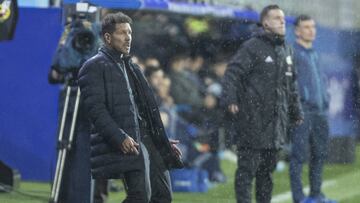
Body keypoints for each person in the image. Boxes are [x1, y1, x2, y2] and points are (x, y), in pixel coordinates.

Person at [78, 12, 183, 203]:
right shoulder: (93, 67)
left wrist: (163, 141)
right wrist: (119, 137)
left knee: (163, 196)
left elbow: (147, 110)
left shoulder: (132, 67)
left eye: (130, 32)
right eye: (122, 33)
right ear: (108, 37)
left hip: (147, 139)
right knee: (140, 196)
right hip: (127, 141)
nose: (128, 38)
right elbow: (96, 111)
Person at [222, 5, 304, 203]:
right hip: (253, 121)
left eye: (283, 18)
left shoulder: (288, 50)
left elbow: (291, 86)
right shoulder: (252, 47)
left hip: (276, 124)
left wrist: (296, 110)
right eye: (277, 18)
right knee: (246, 172)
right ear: (265, 23)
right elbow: (232, 74)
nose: (282, 21)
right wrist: (231, 99)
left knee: (267, 175)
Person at [289, 15, 336, 203]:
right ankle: (299, 198)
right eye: (306, 27)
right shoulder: (293, 53)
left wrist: (325, 99)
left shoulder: (315, 53)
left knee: (319, 154)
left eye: (313, 27)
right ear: (297, 31)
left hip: (320, 112)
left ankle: (316, 194)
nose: (311, 30)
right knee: (298, 155)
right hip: (303, 111)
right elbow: (288, 83)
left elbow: (321, 81)